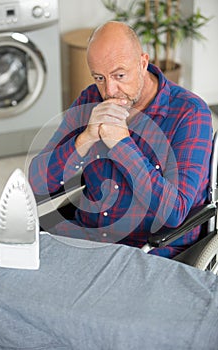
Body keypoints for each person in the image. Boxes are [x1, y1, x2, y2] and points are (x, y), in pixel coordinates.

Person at [29, 21, 213, 258]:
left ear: (143, 63)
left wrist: (121, 144)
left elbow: (174, 213)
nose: (109, 91)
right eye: (99, 77)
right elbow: (36, 183)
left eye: (120, 75)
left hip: (150, 252)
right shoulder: (91, 100)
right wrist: (85, 139)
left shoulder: (189, 113)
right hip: (88, 240)